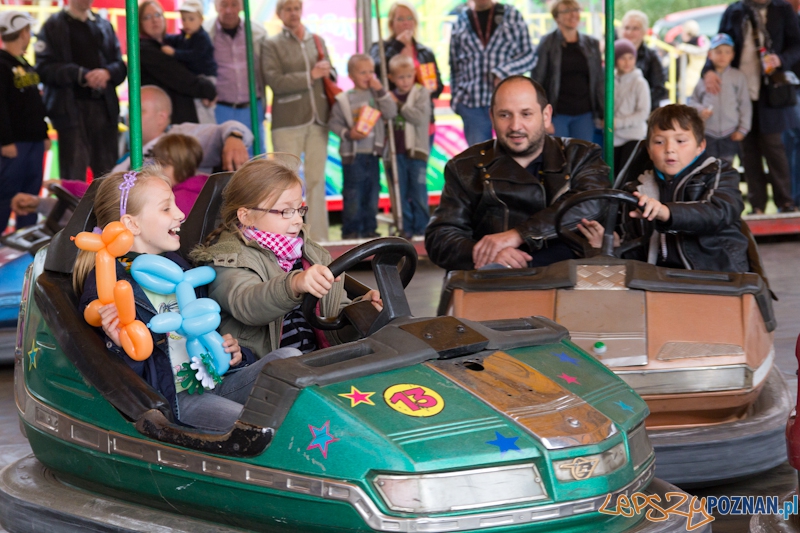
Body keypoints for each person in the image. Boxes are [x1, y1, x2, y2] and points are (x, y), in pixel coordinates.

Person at [74, 167, 301, 431]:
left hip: (215, 379)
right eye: (166, 209)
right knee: (254, 424)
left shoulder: (182, 268)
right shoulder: (109, 287)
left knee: (289, 361)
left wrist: (236, 353)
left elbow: (203, 334)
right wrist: (121, 347)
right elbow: (122, 385)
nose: (180, 214)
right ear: (132, 224)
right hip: (177, 400)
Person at [190, 157, 382, 356]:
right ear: (246, 216)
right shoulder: (229, 257)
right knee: (289, 355)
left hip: (318, 363)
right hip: (266, 370)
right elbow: (246, 304)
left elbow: (332, 314)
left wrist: (361, 309)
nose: (298, 220)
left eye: (299, 209)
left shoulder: (312, 254)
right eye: (286, 211)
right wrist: (294, 284)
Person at [424, 76, 610, 272]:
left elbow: (590, 202)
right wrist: (489, 254)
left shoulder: (581, 156)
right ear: (492, 117)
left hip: (568, 283)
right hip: (495, 284)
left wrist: (517, 235)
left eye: (526, 114)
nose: (515, 126)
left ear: (546, 115)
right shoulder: (465, 167)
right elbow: (441, 237)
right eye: (505, 115)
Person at [578, 105, 749, 273]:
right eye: (659, 142)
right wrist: (617, 242)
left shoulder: (719, 173)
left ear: (700, 146)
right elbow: (639, 249)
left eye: (680, 141)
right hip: (659, 280)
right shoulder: (637, 188)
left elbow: (718, 212)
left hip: (715, 276)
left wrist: (666, 212)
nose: (669, 149)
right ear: (649, 151)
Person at [704, 0, 800, 213]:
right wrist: (709, 69)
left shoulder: (783, 9)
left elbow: (797, 45)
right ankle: (757, 204)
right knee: (747, 149)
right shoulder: (735, 11)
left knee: (774, 147)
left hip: (772, 92)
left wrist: (780, 59)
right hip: (739, 93)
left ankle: (786, 202)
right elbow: (719, 43)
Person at [262, 0, 333, 243]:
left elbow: (329, 74)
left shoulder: (317, 40)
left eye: (296, 8)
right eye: (288, 9)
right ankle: (285, 237)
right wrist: (310, 75)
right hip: (287, 121)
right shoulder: (271, 44)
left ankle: (319, 240)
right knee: (285, 182)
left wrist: (327, 71)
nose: (293, 13)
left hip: (318, 120)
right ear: (280, 14)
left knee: (316, 180)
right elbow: (275, 81)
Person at [35, 0, 127, 182]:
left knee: (109, 177)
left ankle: (109, 211)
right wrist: (79, 74)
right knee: (73, 176)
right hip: (70, 113)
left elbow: (121, 65)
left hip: (104, 110)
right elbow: (43, 68)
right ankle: (74, 211)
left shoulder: (104, 25)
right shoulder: (53, 26)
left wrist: (107, 73)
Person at [328, 54, 397, 240]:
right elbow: (334, 123)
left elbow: (391, 112)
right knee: (353, 193)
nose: (368, 76)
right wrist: (348, 134)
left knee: (372, 192)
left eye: (371, 72)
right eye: (363, 72)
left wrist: (381, 90)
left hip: (373, 154)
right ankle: (351, 232)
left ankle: (369, 230)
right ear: (351, 75)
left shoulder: (378, 95)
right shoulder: (344, 99)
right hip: (353, 155)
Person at [449, 0, 535, 146]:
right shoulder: (460, 22)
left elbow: (529, 56)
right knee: (480, 161)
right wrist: (456, 100)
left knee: (513, 158)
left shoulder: (511, 15)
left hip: (508, 103)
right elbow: (454, 66)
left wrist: (502, 72)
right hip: (472, 104)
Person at [113, 85, 252, 173]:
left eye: (138, 111)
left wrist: (234, 137)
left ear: (161, 117)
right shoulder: (126, 155)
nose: (129, 117)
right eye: (129, 111)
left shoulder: (179, 136)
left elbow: (227, 128)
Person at [0, 11, 50, 234]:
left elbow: (34, 105)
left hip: (34, 142)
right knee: (6, 193)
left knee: (30, 195)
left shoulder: (26, 65)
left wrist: (44, 133)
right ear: (23, 33)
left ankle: (26, 237)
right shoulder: (2, 65)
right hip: (14, 144)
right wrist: (5, 141)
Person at [369, 1, 443, 148]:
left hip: (421, 120)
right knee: (396, 168)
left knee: (419, 169)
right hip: (393, 120)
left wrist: (429, 89)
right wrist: (398, 45)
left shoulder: (424, 53)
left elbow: (438, 87)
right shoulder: (379, 48)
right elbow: (377, 70)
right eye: (400, 19)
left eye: (409, 18)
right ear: (391, 23)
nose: (405, 23)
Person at [532, 0, 603, 142]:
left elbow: (598, 82)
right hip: (557, 113)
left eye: (576, 10)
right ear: (556, 17)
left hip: (584, 113)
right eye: (567, 11)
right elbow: (537, 80)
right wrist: (542, 117)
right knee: (558, 157)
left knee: (582, 157)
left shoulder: (591, 44)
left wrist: (602, 113)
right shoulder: (547, 43)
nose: (573, 14)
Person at [139, 0, 217, 125]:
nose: (154, 20)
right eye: (147, 17)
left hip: (184, 114)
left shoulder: (171, 43)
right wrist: (208, 89)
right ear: (140, 23)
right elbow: (178, 77)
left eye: (158, 15)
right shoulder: (145, 49)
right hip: (167, 120)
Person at [205, 0, 268, 155]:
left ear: (241, 6)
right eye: (224, 5)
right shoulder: (205, 32)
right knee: (222, 158)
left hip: (252, 106)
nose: (229, 10)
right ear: (215, 6)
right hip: (220, 108)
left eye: (234, 4)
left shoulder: (258, 33)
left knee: (256, 159)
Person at [690, 33, 751, 166]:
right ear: (710, 54)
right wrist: (701, 110)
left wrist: (743, 129)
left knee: (726, 167)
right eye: (718, 52)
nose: (722, 56)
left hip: (730, 133)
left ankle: (725, 187)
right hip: (708, 133)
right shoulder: (704, 79)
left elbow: (745, 104)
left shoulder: (738, 77)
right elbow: (692, 101)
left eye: (727, 52)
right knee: (707, 167)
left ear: (733, 55)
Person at [387, 54, 432, 239]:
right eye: (400, 77)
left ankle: (422, 229)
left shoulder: (421, 93)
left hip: (416, 152)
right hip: (396, 152)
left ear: (414, 74)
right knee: (400, 192)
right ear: (391, 78)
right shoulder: (390, 96)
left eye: (408, 76)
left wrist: (399, 105)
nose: (405, 81)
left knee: (418, 190)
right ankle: (405, 228)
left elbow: (420, 117)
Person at [613, 38, 651, 171]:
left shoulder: (640, 83)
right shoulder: (611, 81)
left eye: (630, 57)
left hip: (633, 135)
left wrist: (618, 123)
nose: (627, 62)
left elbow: (643, 112)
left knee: (627, 174)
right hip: (614, 137)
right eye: (622, 58)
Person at [620, 10, 668, 110]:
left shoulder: (651, 56)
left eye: (635, 28)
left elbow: (659, 88)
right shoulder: (613, 54)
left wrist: (638, 102)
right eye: (627, 28)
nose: (629, 32)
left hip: (644, 113)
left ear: (643, 31)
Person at [151, 133, 207, 215]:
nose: (157, 169)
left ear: (184, 166)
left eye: (164, 165)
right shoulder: (203, 190)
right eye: (156, 163)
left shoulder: (180, 200)